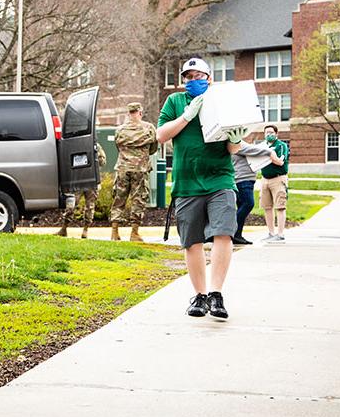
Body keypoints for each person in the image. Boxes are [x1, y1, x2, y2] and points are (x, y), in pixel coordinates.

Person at [157, 57, 247, 320]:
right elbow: (161, 135)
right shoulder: (175, 102)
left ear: (209, 78)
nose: (192, 81)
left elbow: (234, 149)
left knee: (223, 233)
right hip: (187, 181)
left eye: (198, 76)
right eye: (188, 77)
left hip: (220, 178)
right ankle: (200, 295)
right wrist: (186, 116)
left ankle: (216, 294)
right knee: (192, 240)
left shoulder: (221, 101)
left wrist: (236, 138)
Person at [110, 102, 158, 242]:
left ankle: (114, 232)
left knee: (119, 199)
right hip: (140, 169)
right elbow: (153, 149)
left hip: (123, 168)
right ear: (140, 112)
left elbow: (118, 147)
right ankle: (134, 233)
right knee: (138, 200)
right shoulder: (149, 128)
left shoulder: (120, 129)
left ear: (128, 113)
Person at [58, 143, 107, 238]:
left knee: (89, 206)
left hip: (90, 180)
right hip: (79, 180)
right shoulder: (76, 146)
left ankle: (85, 230)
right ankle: (64, 228)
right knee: (71, 204)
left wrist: (96, 156)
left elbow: (103, 162)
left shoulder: (95, 146)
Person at [230, 138, 272, 246]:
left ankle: (237, 235)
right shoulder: (235, 142)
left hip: (246, 179)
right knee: (248, 204)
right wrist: (270, 151)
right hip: (242, 179)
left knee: (241, 206)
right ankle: (231, 232)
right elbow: (250, 149)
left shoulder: (238, 141)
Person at [258, 125, 289, 242]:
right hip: (265, 178)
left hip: (278, 179)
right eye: (266, 133)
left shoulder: (281, 146)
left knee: (280, 206)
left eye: (271, 132)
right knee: (267, 207)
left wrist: (269, 153)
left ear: (276, 134)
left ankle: (280, 234)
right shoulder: (262, 146)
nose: (269, 135)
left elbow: (280, 162)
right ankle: (271, 233)